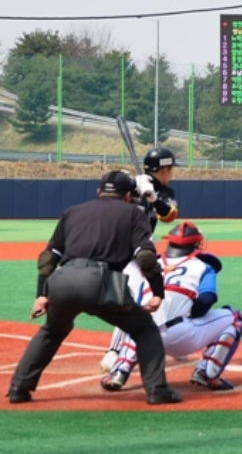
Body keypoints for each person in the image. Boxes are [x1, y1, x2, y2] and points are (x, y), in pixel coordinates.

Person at [5, 171, 181, 405]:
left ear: (99, 191)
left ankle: (18, 388)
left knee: (52, 331)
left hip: (62, 280)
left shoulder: (72, 212)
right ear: (128, 195)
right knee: (145, 330)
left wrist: (41, 294)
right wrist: (158, 293)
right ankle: (157, 390)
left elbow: (49, 257)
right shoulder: (132, 213)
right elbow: (146, 257)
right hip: (100, 282)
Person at [101, 221, 242, 392]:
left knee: (139, 320)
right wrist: (189, 311)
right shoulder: (203, 266)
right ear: (196, 244)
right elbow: (207, 299)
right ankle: (207, 372)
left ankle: (119, 371)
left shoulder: (151, 264)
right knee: (235, 318)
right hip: (181, 337)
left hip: (145, 337)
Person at [100, 147, 180, 371]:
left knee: (168, 285)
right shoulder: (130, 186)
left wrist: (153, 197)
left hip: (145, 249)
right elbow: (108, 200)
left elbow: (170, 215)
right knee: (132, 297)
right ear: (163, 168)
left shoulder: (163, 190)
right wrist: (132, 185)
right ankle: (114, 351)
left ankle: (170, 337)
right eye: (170, 168)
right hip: (123, 251)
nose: (171, 172)